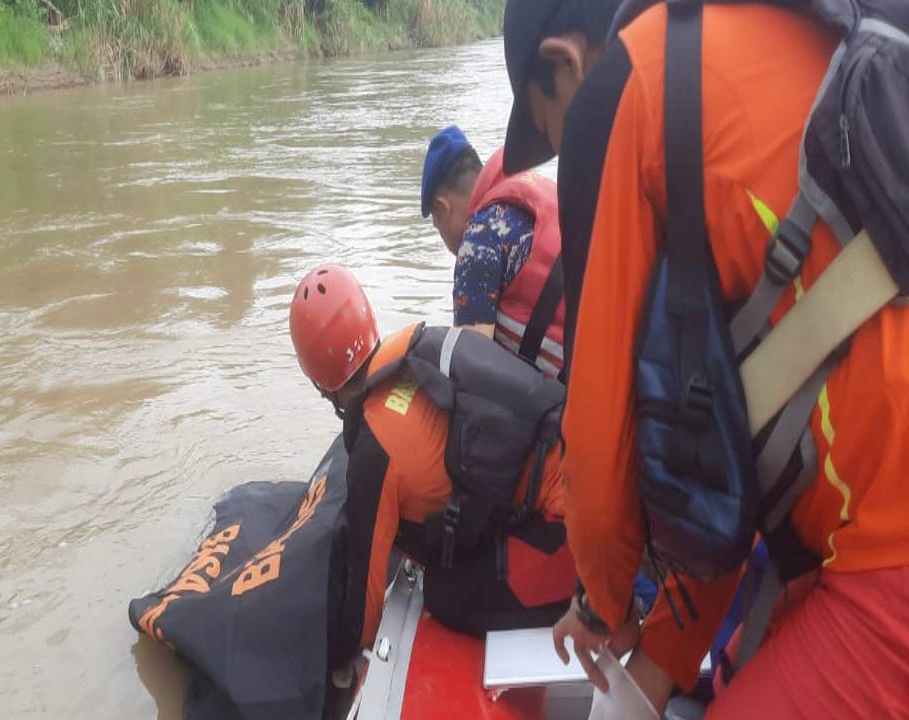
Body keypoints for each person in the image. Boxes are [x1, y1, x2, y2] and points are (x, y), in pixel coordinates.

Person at [500, 0, 909, 716]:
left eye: (551, 126)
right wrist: (656, 663)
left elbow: (595, 440)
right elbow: (729, 464)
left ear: (565, 62)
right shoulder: (756, 43)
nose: (569, 160)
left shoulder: (626, 91)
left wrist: (601, 605)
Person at [289, 263, 576, 668]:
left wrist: (341, 664)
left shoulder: (374, 453)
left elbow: (364, 612)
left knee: (442, 592)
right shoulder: (415, 350)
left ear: (318, 382)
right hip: (582, 466)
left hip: (577, 541)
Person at [420, 127, 566, 376]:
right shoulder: (528, 188)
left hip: (585, 385)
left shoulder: (478, 241)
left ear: (443, 207)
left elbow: (473, 372)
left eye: (437, 225)